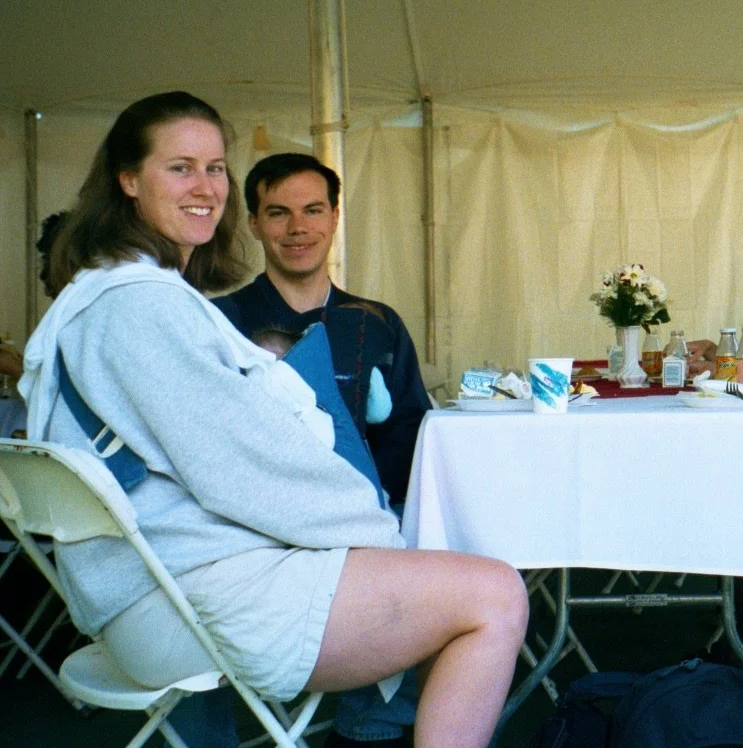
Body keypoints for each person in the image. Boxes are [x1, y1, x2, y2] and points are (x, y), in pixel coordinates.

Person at [20, 91, 526, 748]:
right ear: (128, 180)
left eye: (215, 168)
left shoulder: (107, 296)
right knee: (495, 595)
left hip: (153, 588)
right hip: (183, 602)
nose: (205, 187)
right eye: (180, 168)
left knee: (444, 580)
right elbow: (240, 470)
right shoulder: (140, 308)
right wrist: (371, 528)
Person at [215, 153, 429, 509]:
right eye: (278, 213)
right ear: (254, 224)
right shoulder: (223, 320)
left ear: (335, 217)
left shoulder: (378, 322)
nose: (297, 227)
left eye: (313, 210)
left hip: (371, 515)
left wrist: (367, 498)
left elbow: (412, 430)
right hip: (263, 518)